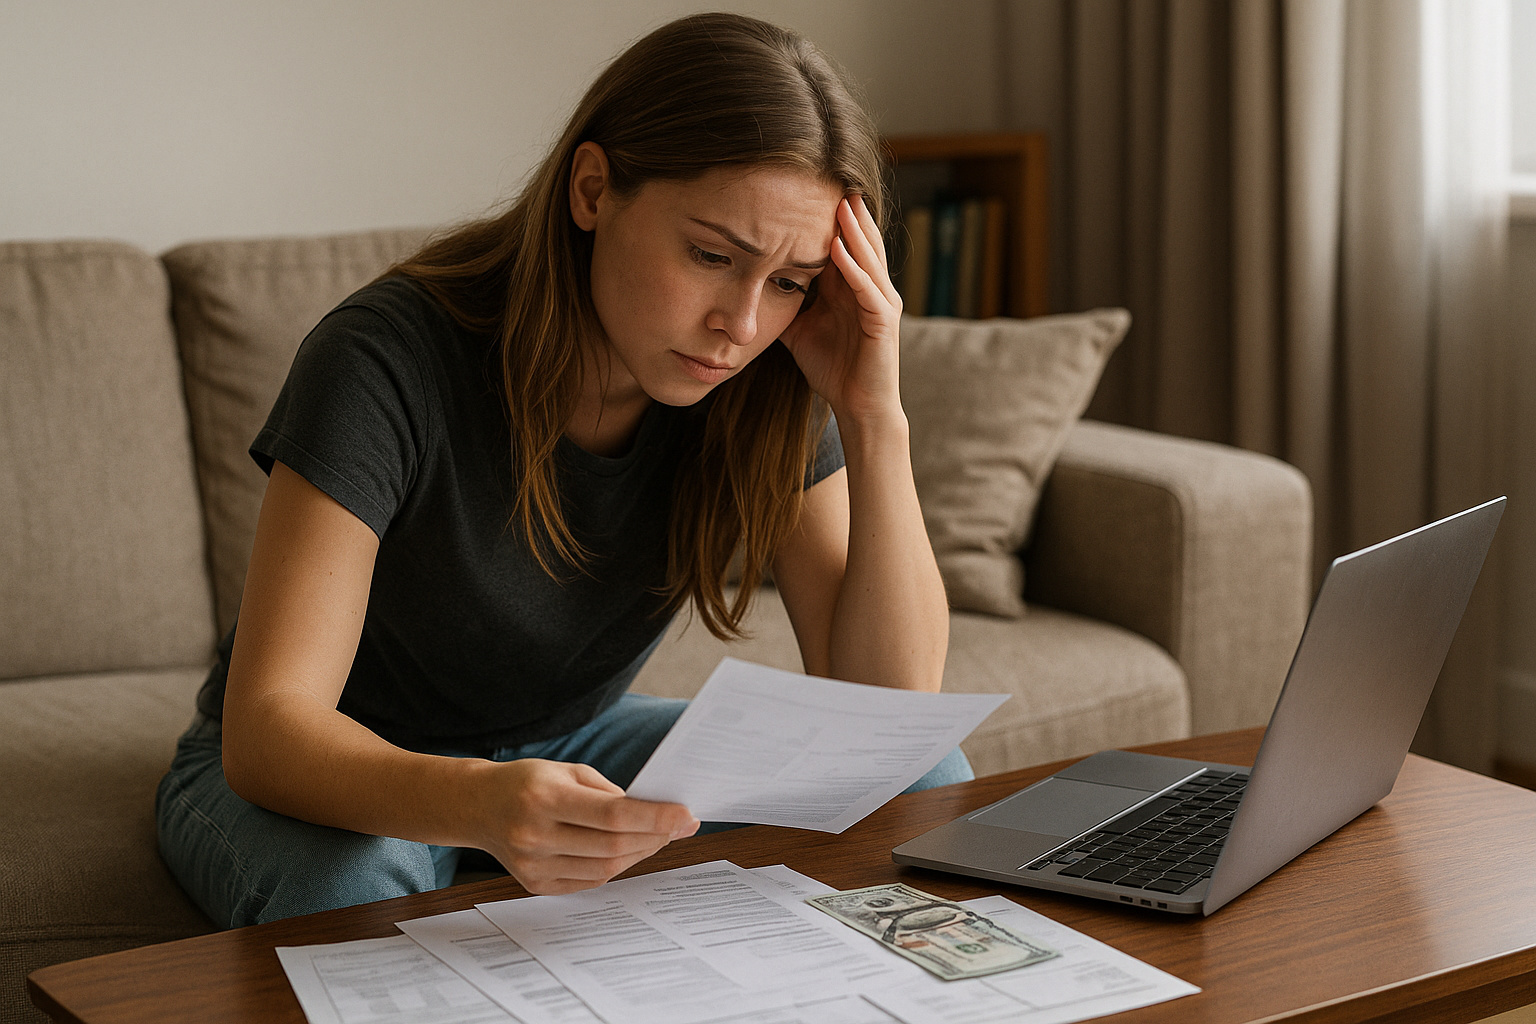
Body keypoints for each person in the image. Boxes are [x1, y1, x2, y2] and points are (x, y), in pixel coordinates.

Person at [156, 11, 970, 929]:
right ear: (593, 188)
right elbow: (267, 730)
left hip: (566, 747)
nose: (741, 324)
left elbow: (889, 716)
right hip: (342, 768)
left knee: (926, 772)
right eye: (712, 255)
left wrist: (874, 414)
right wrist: (482, 802)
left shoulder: (762, 379)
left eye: (789, 281)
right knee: (348, 886)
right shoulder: (384, 358)